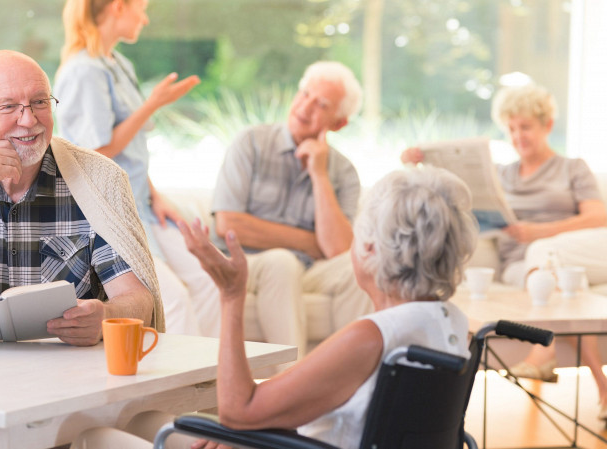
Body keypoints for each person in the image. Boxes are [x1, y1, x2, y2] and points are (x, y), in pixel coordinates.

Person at [72, 166, 479, 448]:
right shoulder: (450, 325)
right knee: (146, 421)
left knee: (97, 437)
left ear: (370, 250)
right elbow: (326, 399)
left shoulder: (371, 337)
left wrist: (232, 295)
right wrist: (251, 427)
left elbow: (238, 410)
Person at [0, 50, 164, 346]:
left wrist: (105, 317)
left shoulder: (100, 180)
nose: (28, 120)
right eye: (8, 106)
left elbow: (139, 300)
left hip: (69, 374)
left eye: (39, 102)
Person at [401, 83, 607, 423]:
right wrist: (416, 168)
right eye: (511, 128)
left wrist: (538, 233)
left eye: (526, 127)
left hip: (591, 251)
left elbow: (598, 217)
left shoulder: (572, 167)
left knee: (543, 253)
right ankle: (605, 388)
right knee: (567, 288)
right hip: (526, 268)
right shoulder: (501, 176)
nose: (517, 135)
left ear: (547, 125)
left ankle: (543, 351)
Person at [55, 0, 201, 335]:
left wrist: (154, 194)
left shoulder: (118, 63)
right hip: (112, 212)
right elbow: (97, 150)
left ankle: (216, 378)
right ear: (119, 7)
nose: (146, 18)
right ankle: (178, 382)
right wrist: (152, 104)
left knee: (207, 278)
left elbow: (131, 152)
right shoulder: (84, 70)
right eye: (142, 8)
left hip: (142, 203)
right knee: (172, 298)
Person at [207, 60, 370, 357]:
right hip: (246, 263)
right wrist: (309, 242)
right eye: (304, 93)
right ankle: (292, 387)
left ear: (339, 123)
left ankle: (353, 380)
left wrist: (319, 174)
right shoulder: (252, 142)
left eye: (321, 104)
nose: (305, 107)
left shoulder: (344, 172)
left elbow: (338, 249)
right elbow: (229, 225)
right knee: (281, 263)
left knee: (359, 265)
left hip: (306, 269)